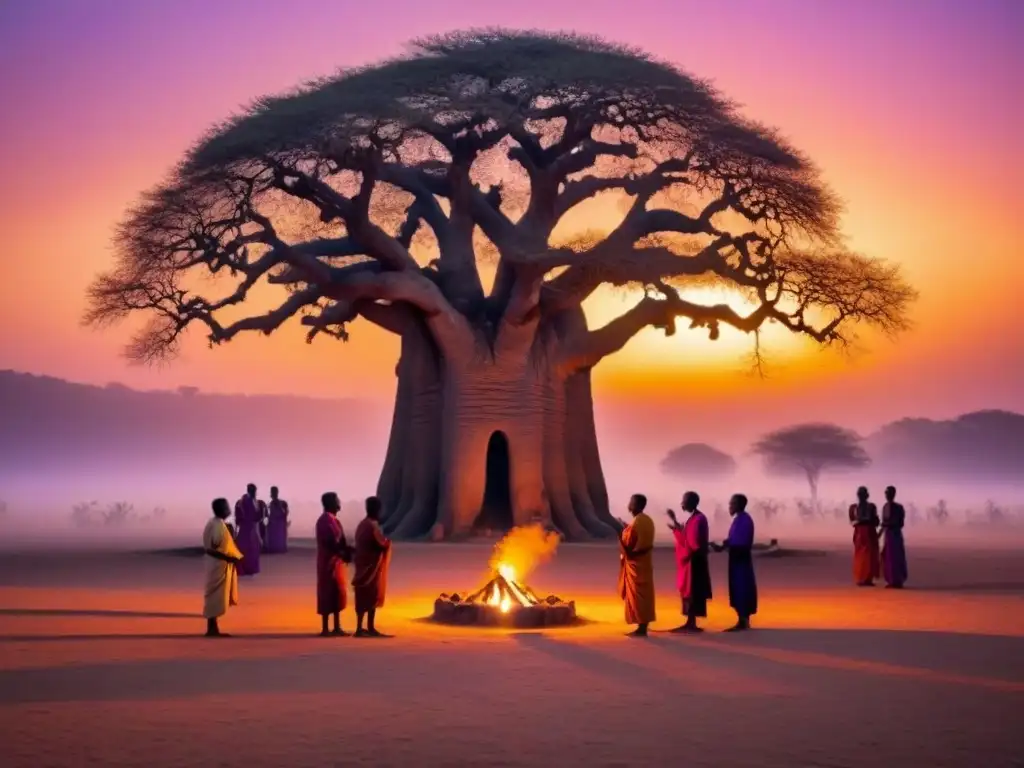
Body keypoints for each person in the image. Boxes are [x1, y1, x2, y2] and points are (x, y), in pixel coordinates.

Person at [668, 490, 712, 632]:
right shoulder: (694, 518)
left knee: (692, 591)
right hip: (693, 560)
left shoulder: (698, 519)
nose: (682, 503)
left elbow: (692, 543)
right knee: (689, 591)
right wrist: (675, 523)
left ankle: (691, 623)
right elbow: (687, 536)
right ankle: (690, 622)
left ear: (692, 502)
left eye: (684, 501)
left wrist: (677, 531)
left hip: (694, 561)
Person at [713, 493, 758, 631]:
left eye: (732, 504)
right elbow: (731, 539)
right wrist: (721, 546)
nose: (729, 506)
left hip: (741, 560)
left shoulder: (744, 520)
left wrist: (724, 547)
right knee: (738, 588)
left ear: (739, 505)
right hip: (736, 559)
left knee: (741, 587)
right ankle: (742, 619)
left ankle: (743, 620)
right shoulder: (739, 520)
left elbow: (740, 543)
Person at [616, 493, 656, 637]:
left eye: (631, 502)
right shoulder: (647, 520)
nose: (629, 505)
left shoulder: (638, 522)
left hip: (636, 565)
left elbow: (630, 544)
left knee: (638, 597)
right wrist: (626, 527)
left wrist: (620, 535)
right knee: (644, 595)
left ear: (637, 505)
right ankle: (643, 625)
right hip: (644, 565)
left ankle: (641, 627)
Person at [352, 496, 393, 638]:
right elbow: (381, 543)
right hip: (370, 568)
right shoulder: (371, 526)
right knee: (370, 596)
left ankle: (363, 627)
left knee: (364, 597)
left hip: (363, 566)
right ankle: (366, 628)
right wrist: (388, 542)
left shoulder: (362, 524)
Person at [203, 498, 243, 637]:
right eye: (226, 507)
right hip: (217, 566)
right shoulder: (216, 525)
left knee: (216, 596)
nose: (229, 510)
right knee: (215, 596)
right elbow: (211, 548)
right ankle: (212, 629)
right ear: (220, 509)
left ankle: (213, 628)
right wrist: (228, 558)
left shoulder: (218, 523)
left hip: (218, 565)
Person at [316, 491, 352, 636]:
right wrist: (343, 552)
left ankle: (337, 626)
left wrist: (348, 552)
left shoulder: (334, 520)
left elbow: (341, 540)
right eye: (337, 500)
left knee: (337, 592)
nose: (339, 503)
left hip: (336, 563)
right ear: (330, 503)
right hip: (328, 562)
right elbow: (331, 542)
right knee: (327, 592)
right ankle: (325, 628)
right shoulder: (325, 521)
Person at [849, 486, 881, 586]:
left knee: (864, 555)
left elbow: (853, 521)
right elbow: (875, 521)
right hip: (865, 531)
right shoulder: (864, 507)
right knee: (866, 555)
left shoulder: (855, 507)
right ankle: (864, 578)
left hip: (863, 532)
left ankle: (863, 577)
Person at [880, 486, 909, 588]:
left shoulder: (899, 508)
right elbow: (883, 523)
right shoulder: (885, 507)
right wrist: (879, 533)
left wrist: (891, 524)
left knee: (896, 557)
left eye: (889, 493)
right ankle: (891, 580)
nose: (888, 495)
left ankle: (898, 580)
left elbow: (901, 523)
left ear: (894, 494)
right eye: (886, 493)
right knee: (888, 557)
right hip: (888, 535)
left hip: (895, 534)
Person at [234, 484, 265, 576]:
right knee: (247, 548)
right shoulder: (245, 501)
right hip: (248, 528)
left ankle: (250, 568)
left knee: (253, 548)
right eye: (253, 490)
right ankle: (246, 568)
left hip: (252, 528)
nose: (254, 492)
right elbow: (251, 516)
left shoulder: (251, 501)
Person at [265, 486, 289, 554]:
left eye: (273, 492)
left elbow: (285, 513)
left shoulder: (281, 503)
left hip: (279, 524)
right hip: (274, 524)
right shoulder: (271, 504)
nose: (272, 494)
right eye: (272, 492)